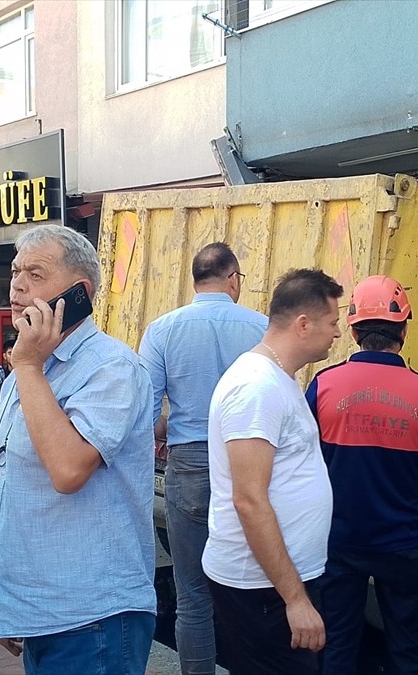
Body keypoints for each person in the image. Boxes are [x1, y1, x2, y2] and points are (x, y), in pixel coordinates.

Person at [0, 224, 156, 674]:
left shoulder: (111, 367)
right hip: (42, 607)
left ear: (79, 292)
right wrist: (12, 601)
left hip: (93, 616)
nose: (17, 286)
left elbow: (67, 470)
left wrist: (26, 366)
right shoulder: (29, 370)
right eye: (15, 271)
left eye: (36, 274)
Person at [307, 275, 418, 675]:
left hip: (338, 539)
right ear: (403, 331)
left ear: (354, 331)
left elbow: (303, 464)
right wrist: (413, 513)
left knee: (337, 645)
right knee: (408, 647)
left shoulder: (323, 386)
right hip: (403, 541)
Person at [202, 268, 342, 674]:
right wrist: (295, 600)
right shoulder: (256, 387)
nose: (337, 333)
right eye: (332, 322)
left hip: (275, 582)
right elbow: (249, 500)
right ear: (304, 324)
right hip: (263, 588)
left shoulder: (277, 379)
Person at [137, 242, 267, 675]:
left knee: (193, 595)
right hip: (249, 463)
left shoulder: (162, 330)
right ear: (232, 280)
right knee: (251, 590)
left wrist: (168, 427)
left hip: (190, 464)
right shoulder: (263, 328)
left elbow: (145, 415)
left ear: (196, 281)